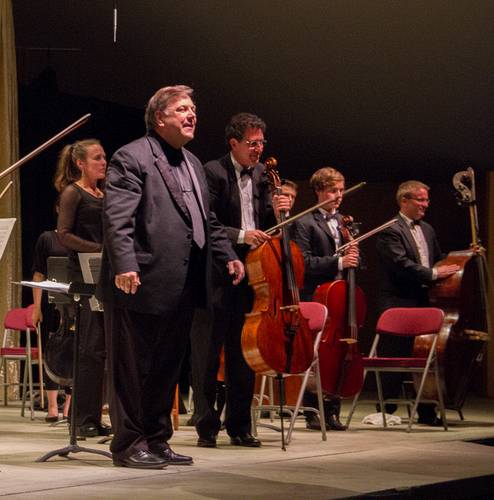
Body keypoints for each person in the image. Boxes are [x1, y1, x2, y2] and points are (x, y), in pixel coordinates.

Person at [99, 85, 245, 469]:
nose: (191, 114)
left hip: (183, 282)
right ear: (159, 117)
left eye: (193, 108)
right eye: (182, 108)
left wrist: (227, 254)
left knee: (167, 367)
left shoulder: (195, 163)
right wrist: (125, 263)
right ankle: (129, 444)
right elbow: (117, 218)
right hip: (140, 279)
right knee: (134, 368)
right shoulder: (131, 156)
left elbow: (208, 220)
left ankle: (158, 439)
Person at [191, 112, 290, 449]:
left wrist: (279, 214)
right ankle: (206, 426)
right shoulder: (212, 172)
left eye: (262, 143)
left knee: (244, 352)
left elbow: (268, 226)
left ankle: (240, 426)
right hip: (217, 274)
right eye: (252, 144)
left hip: (253, 275)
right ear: (233, 143)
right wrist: (243, 236)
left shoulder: (264, 174)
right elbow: (207, 223)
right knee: (208, 353)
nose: (258, 150)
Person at [374, 180, 459, 425]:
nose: (425, 205)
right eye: (420, 200)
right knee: (395, 357)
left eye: (426, 200)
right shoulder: (390, 229)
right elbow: (400, 263)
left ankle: (426, 411)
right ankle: (385, 412)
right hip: (398, 302)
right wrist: (432, 274)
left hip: (423, 302)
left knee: (423, 359)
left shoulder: (428, 229)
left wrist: (463, 257)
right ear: (404, 200)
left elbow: (438, 259)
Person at [291, 167, 360, 431]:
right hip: (316, 294)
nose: (339, 195)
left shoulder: (346, 222)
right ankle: (312, 411)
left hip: (341, 296)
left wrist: (354, 257)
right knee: (316, 355)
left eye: (341, 190)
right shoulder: (304, 222)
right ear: (319, 191)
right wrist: (339, 260)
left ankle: (333, 410)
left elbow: (352, 264)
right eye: (333, 190)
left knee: (341, 349)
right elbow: (304, 263)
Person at [53, 138, 110, 438]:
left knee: (102, 352)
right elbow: (64, 235)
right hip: (85, 274)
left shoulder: (103, 192)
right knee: (90, 349)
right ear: (80, 163)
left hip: (104, 273)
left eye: (104, 157)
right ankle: (80, 419)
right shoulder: (72, 193)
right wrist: (99, 249)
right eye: (97, 158)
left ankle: (94, 415)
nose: (103, 162)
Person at [31, 221, 72, 422]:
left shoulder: (82, 239)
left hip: (75, 304)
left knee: (76, 352)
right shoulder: (47, 238)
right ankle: (53, 406)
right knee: (51, 351)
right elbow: (39, 274)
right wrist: (36, 307)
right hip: (51, 304)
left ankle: (70, 408)